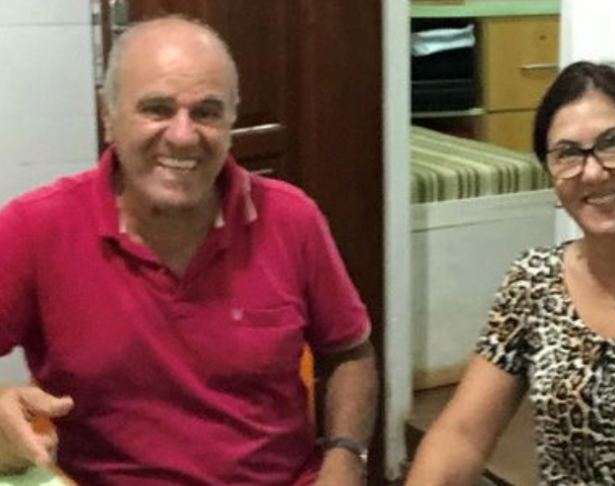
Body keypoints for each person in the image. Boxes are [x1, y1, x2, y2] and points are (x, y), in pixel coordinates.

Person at [0, 15, 377, 486]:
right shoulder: (34, 228)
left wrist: (346, 458)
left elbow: (349, 354)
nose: (183, 135)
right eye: (157, 109)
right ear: (108, 116)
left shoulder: (291, 219)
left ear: (231, 120)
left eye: (207, 112)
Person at [404, 61, 615, 485]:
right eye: (568, 154)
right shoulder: (534, 281)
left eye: (614, 144)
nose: (593, 172)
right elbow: (462, 435)